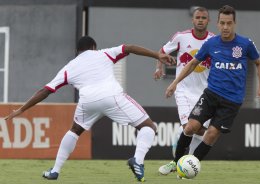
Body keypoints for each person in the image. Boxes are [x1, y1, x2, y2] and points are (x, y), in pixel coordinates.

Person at [4, 36, 176, 182]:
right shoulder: (103, 53)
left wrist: (22, 109)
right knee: (149, 127)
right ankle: (137, 160)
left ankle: (55, 170)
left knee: (75, 130)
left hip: (87, 101)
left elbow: (45, 91)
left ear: (78, 51)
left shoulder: (69, 67)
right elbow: (129, 47)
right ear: (94, 47)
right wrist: (157, 55)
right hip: (112, 97)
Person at [165, 5, 260, 164]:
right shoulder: (211, 43)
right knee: (190, 127)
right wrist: (175, 83)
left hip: (232, 101)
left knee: (210, 134)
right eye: (222, 23)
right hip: (211, 94)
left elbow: (259, 63)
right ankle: (176, 163)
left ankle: (190, 165)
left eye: (229, 23)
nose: (225, 27)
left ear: (234, 23)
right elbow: (192, 64)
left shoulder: (245, 44)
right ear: (217, 23)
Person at [155, 7, 214, 175]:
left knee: (201, 131)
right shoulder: (181, 37)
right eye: (198, 17)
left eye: (204, 17)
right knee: (189, 126)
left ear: (208, 21)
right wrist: (159, 67)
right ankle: (179, 162)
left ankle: (185, 163)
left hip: (206, 93)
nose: (201, 20)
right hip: (183, 90)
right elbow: (162, 51)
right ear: (193, 20)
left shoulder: (213, 40)